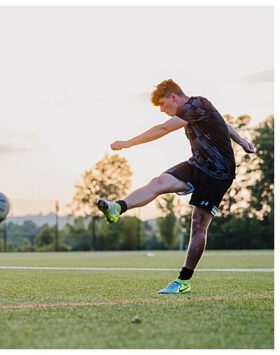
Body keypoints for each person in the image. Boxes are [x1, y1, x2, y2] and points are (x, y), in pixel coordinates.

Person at [97, 79, 255, 294]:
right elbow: (223, 124)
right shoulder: (195, 112)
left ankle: (183, 281)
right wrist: (242, 141)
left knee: (198, 224)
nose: (162, 110)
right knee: (158, 182)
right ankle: (118, 207)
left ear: (173, 97)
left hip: (218, 173)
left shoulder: (198, 104)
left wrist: (128, 143)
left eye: (163, 104)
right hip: (197, 164)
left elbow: (163, 129)